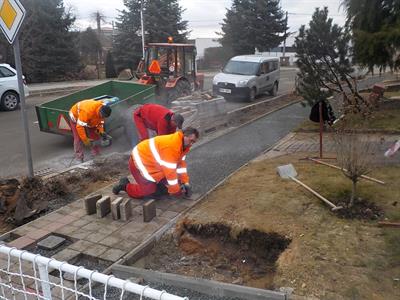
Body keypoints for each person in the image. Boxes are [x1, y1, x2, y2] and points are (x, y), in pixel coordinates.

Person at [112, 127, 199, 199]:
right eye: (191, 140)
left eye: (193, 142)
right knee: (148, 191)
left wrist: (185, 182)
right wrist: (176, 191)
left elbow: (181, 166)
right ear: (184, 136)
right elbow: (170, 172)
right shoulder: (171, 146)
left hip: (151, 162)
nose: (191, 144)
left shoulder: (182, 146)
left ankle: (157, 185)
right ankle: (125, 186)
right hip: (139, 162)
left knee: (171, 186)